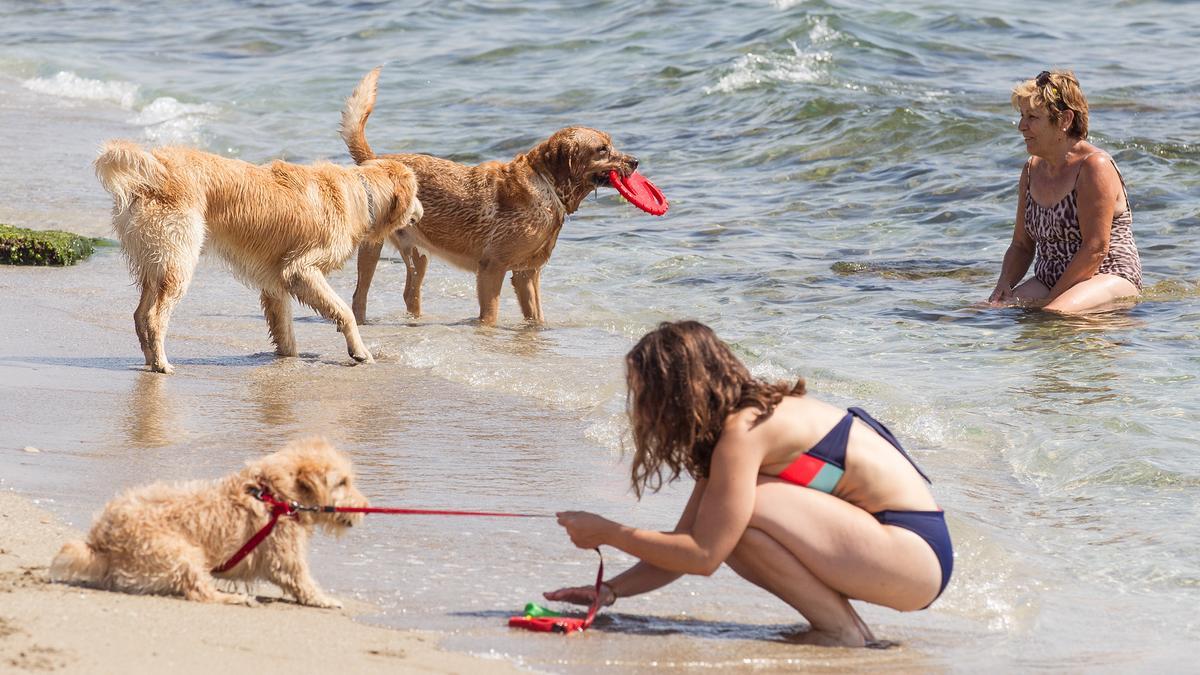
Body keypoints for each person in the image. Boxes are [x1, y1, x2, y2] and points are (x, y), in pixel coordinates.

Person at [544, 321, 952, 647]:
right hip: (904, 557)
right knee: (725, 524)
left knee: (734, 522)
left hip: (914, 555)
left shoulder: (745, 430)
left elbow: (703, 556)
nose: (641, 409)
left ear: (678, 392)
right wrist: (609, 592)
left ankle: (841, 632)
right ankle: (844, 629)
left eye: (644, 394)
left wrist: (610, 533)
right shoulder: (733, 430)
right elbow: (687, 541)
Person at [989, 69, 1142, 313]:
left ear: (1064, 120)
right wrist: (1002, 287)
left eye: (1032, 117)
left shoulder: (1094, 166)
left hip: (1107, 273)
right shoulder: (1031, 170)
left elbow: (1095, 248)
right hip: (1050, 278)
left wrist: (1051, 300)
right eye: (1022, 116)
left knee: (1055, 314)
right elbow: (1021, 245)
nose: (1021, 126)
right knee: (990, 312)